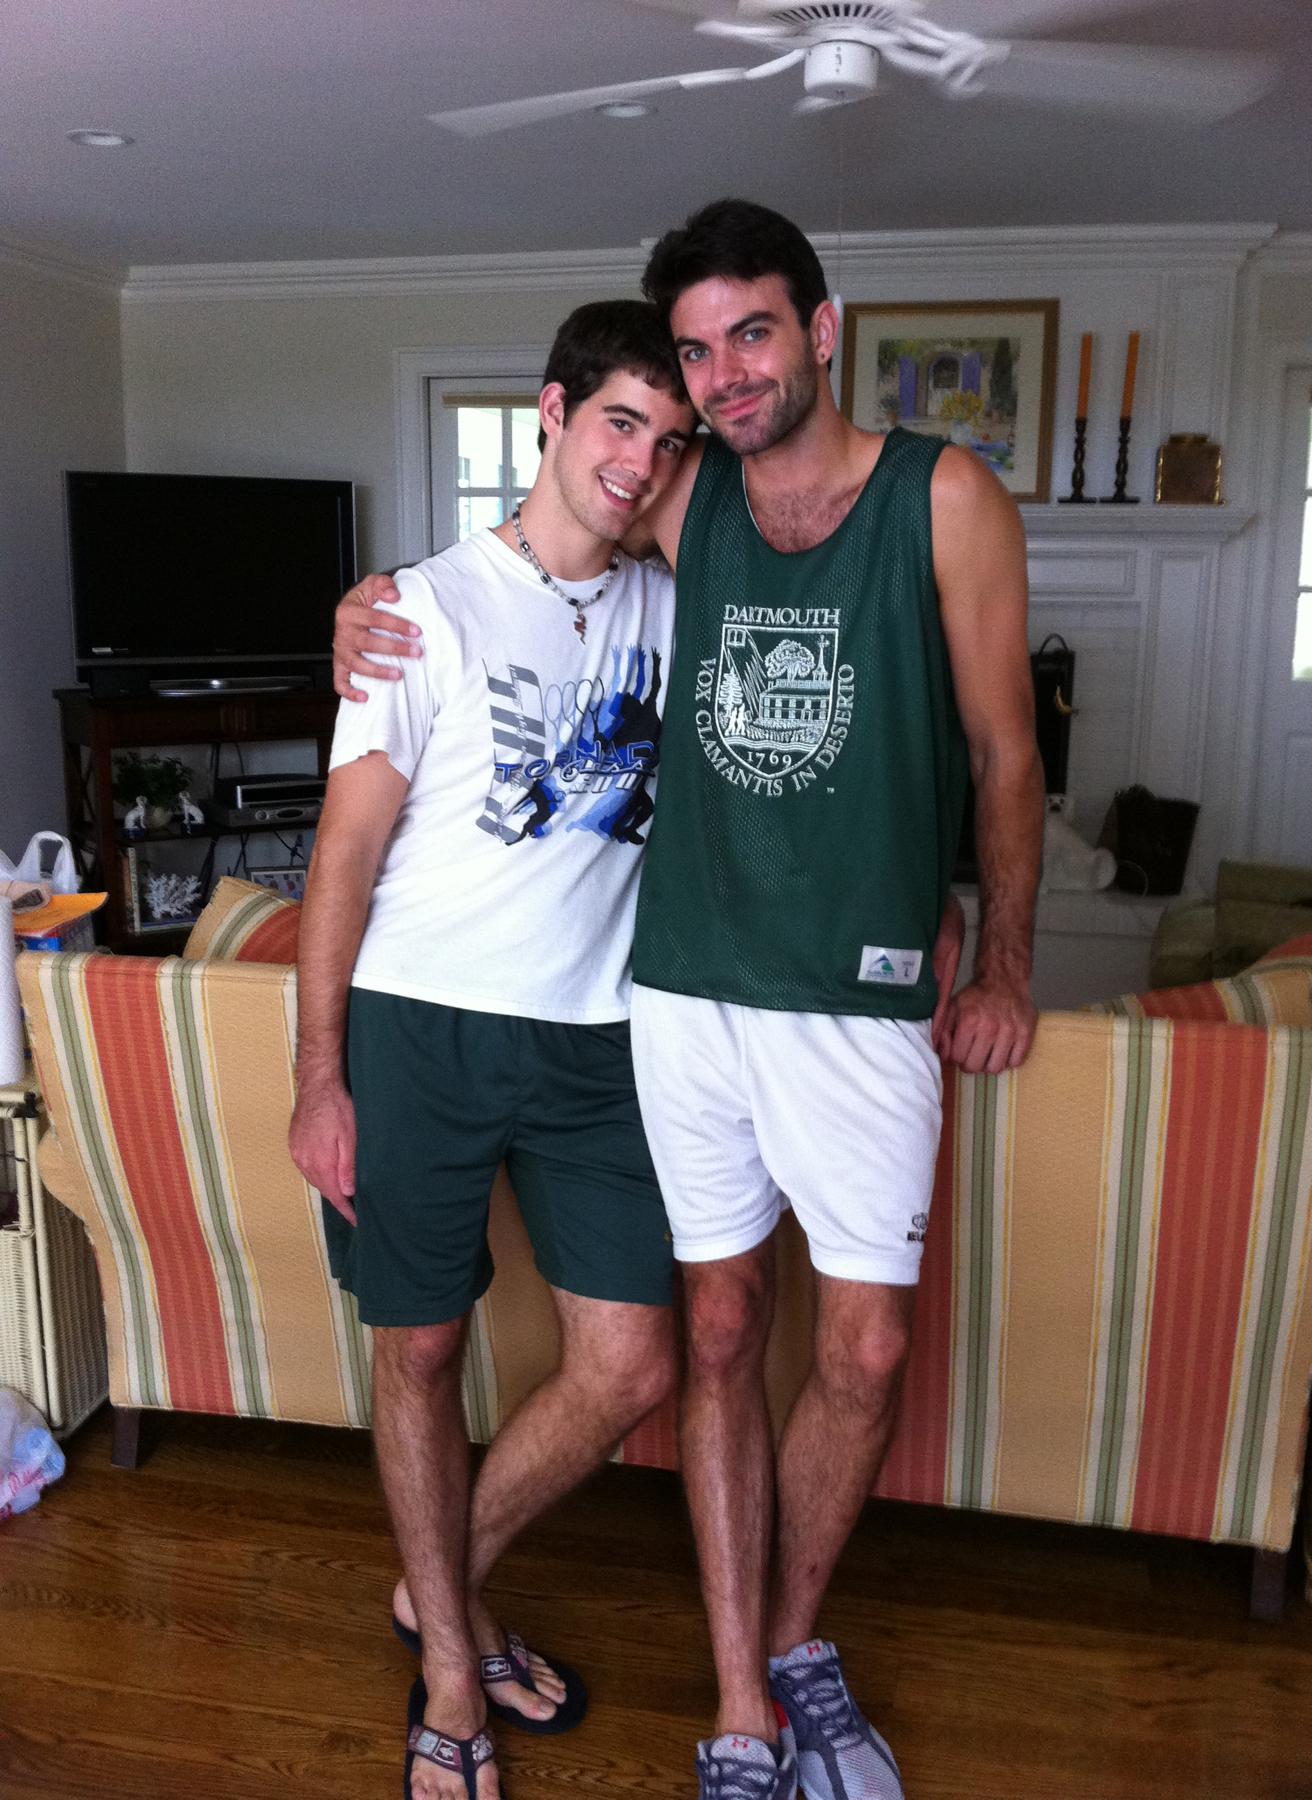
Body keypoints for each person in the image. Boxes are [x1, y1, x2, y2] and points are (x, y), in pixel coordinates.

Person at [333, 199, 1042, 1800]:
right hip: (677, 997)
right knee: (713, 1330)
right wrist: (371, 608)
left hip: (857, 998)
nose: (722, 377)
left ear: (822, 330)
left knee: (862, 1351)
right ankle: (735, 1704)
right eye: (697, 351)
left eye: (752, 334)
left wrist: (1003, 957)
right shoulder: (686, 498)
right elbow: (548, 525)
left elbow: (1006, 752)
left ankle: (789, 1649)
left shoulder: (941, 497)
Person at [290, 299, 697, 1800]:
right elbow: (341, 861)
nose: (640, 460)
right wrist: (318, 1078)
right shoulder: (421, 609)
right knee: (421, 1350)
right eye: (619, 421)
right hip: (420, 1026)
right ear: (552, 411)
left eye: (670, 440)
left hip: (601, 1040)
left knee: (630, 1362)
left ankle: (435, 1592)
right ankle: (454, 1678)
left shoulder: (675, 605)